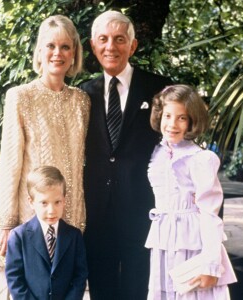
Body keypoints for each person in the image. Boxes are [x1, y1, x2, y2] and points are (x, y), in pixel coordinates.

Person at [0, 15, 90, 299]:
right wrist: (6, 222)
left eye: (65, 47)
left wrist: (80, 216)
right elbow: (10, 161)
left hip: (70, 214)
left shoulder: (82, 101)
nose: (58, 53)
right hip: (30, 213)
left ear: (74, 54)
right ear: (39, 51)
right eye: (50, 46)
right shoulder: (20, 96)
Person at [80, 10, 172, 300]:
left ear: (133, 46)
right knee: (101, 286)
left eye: (120, 39)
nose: (111, 47)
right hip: (97, 209)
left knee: (139, 284)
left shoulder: (159, 89)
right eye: (104, 40)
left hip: (142, 206)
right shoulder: (82, 94)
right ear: (94, 46)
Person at [145, 84, 237, 299]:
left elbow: (209, 213)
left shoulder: (200, 159)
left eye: (182, 118)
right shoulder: (158, 153)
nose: (172, 124)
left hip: (191, 242)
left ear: (192, 121)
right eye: (167, 116)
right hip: (163, 239)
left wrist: (211, 264)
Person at [5, 166, 88, 300]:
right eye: (44, 203)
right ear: (31, 202)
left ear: (64, 200)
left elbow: (80, 276)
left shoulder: (74, 236)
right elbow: (15, 280)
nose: (51, 210)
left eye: (57, 202)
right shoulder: (19, 237)